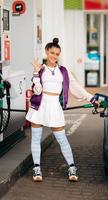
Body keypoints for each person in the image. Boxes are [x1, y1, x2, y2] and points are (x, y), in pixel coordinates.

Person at [26, 38, 99, 182]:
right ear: (47, 52)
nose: (54, 56)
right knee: (35, 139)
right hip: (39, 106)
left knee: (62, 139)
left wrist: (91, 98)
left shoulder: (63, 71)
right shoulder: (40, 70)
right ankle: (37, 169)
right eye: (52, 53)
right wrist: (35, 73)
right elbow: (37, 90)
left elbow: (76, 87)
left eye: (57, 53)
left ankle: (72, 167)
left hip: (54, 106)